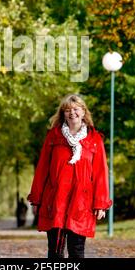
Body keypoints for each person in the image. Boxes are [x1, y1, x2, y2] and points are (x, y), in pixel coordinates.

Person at [27, 94, 112, 258]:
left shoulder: (95, 140)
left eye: (76, 109)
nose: (72, 113)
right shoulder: (53, 136)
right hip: (55, 200)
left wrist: (100, 204)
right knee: (55, 252)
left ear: (83, 112)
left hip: (81, 203)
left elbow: (101, 173)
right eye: (67, 110)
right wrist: (36, 199)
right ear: (62, 114)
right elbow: (42, 169)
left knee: (77, 251)